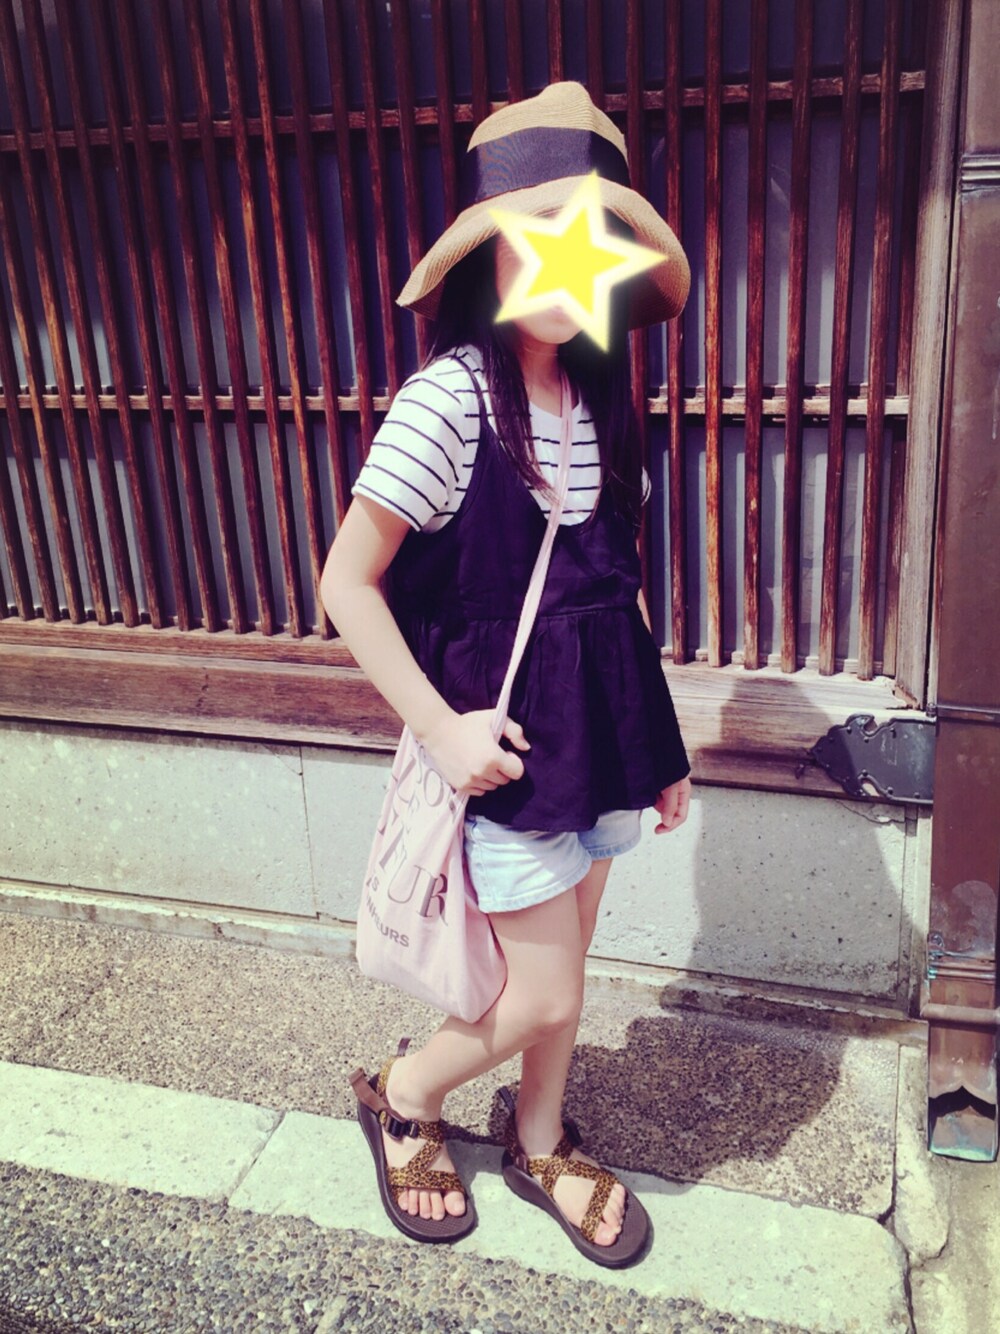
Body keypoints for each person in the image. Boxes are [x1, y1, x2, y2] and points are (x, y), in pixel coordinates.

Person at [320, 81, 692, 1268]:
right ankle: (405, 1092)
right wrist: (441, 729)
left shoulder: (595, 396)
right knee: (538, 994)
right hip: (511, 753)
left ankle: (539, 1140)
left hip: (605, 734)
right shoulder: (449, 400)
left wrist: (660, 748)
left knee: (564, 972)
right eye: (543, 236)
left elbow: (614, 583)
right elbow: (346, 582)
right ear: (493, 254)